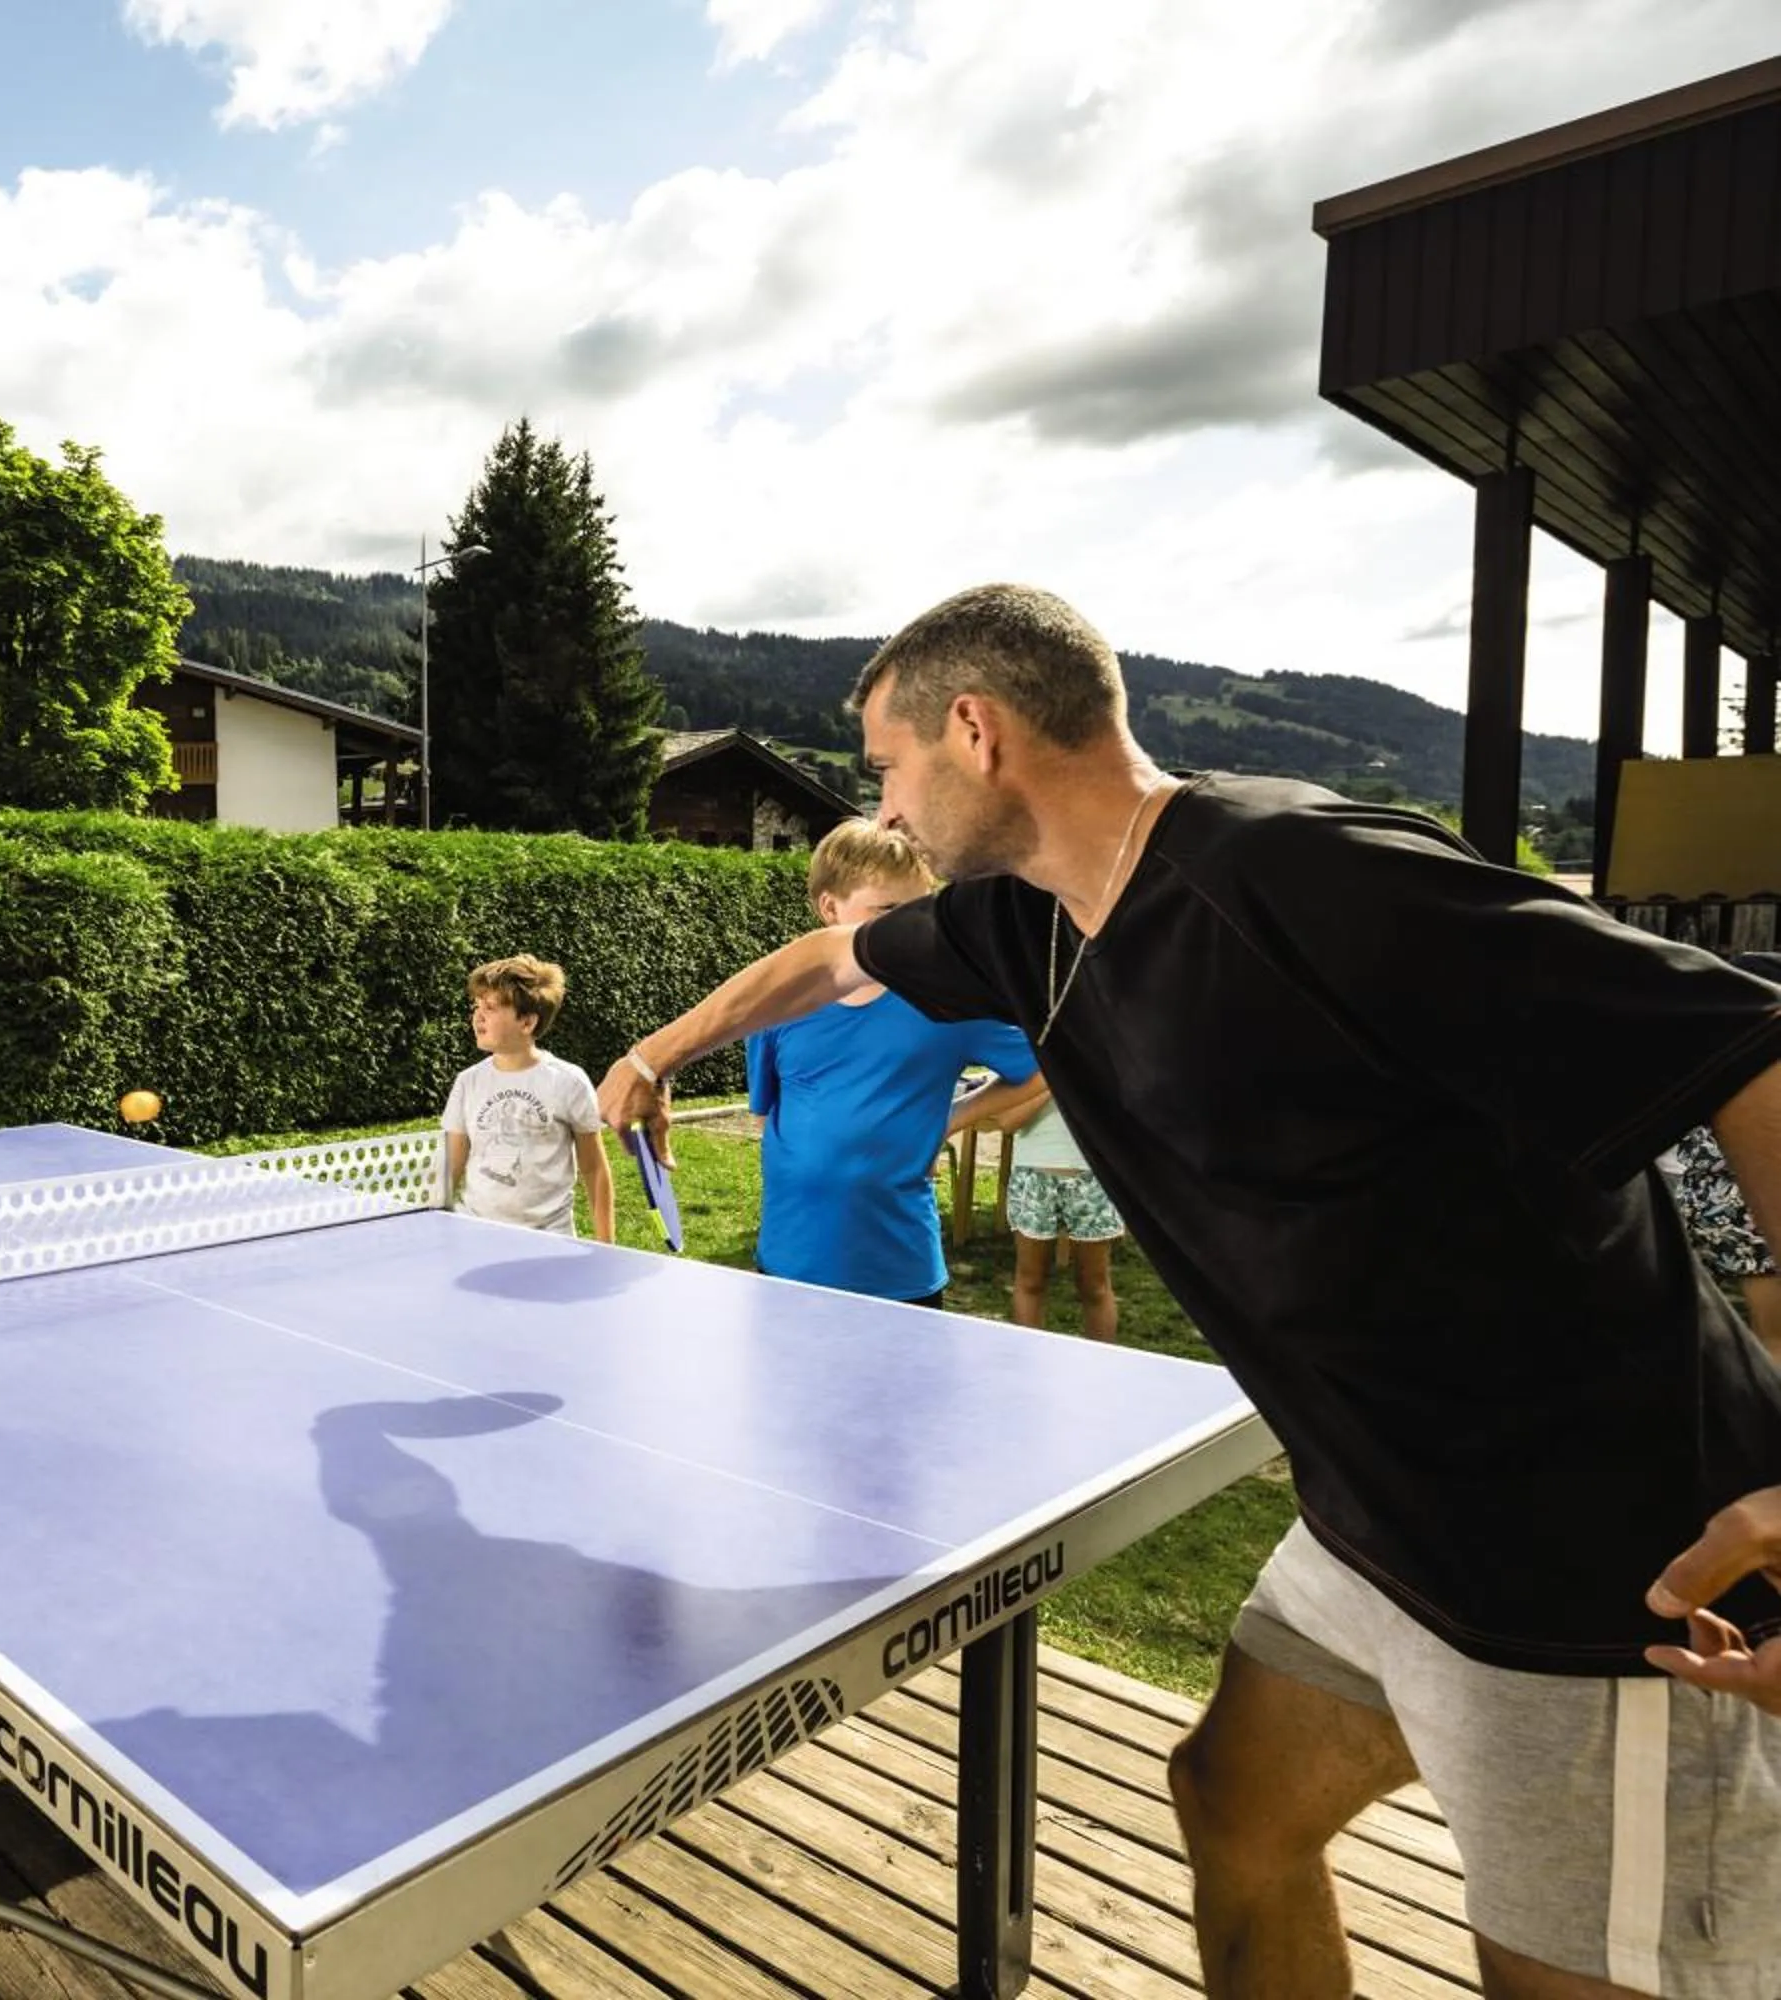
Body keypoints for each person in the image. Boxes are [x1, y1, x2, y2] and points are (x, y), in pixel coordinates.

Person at [597, 583, 1781, 1999]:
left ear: (973, 730)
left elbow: (1752, 1048)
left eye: (887, 766)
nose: (885, 808)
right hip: (1371, 1529)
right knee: (1232, 1803)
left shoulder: (1304, 873)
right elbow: (828, 958)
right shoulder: (1020, 925)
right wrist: (657, 1055)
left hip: (1598, 1563)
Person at [741, 820, 1042, 1307]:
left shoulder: (949, 999)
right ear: (829, 908)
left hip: (901, 1278)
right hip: (785, 1268)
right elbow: (765, 1115)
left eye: (922, 911)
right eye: (888, 911)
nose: (912, 928)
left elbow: (1044, 1063)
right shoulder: (777, 1001)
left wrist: (953, 1117)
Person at [441, 954, 614, 1241]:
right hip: (474, 1233)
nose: (478, 1016)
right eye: (477, 1006)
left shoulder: (569, 1082)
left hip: (549, 1240)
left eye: (491, 1007)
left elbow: (594, 1170)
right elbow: (450, 1166)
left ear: (527, 1022)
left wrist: (607, 1247)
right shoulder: (468, 1082)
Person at [1668, 951, 1781, 1363]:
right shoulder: (1748, 1070)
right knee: (1774, 1337)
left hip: (1713, 1208)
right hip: (1738, 1213)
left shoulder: (1707, 1065)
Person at [995, 1081, 1123, 1340]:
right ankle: (1027, 1367)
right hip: (1033, 1176)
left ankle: (1102, 1372)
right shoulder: (1027, 1055)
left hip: (1093, 1177)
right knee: (1031, 1281)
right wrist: (1055, 1079)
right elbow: (1007, 1120)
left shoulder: (1102, 1049)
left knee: (1094, 1287)